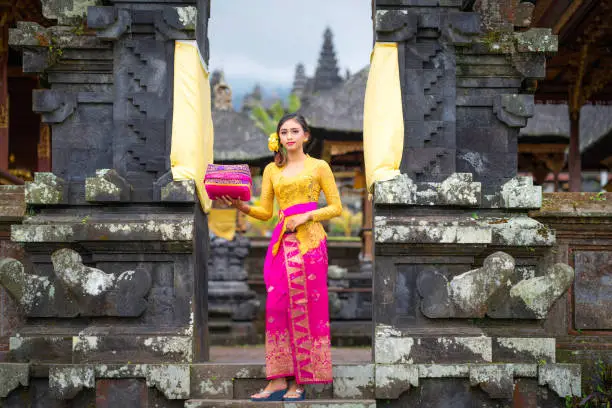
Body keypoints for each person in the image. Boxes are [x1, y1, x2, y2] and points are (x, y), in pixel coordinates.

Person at [219, 113, 342, 401]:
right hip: (281, 246)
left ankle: (299, 381)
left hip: (310, 244)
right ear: (279, 138)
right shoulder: (272, 170)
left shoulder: (319, 166)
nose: (289, 136)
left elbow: (335, 207)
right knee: (276, 307)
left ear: (306, 136)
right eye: (284, 132)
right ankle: (276, 380)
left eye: (295, 131)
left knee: (305, 310)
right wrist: (241, 205)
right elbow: (266, 212)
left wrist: (306, 216)